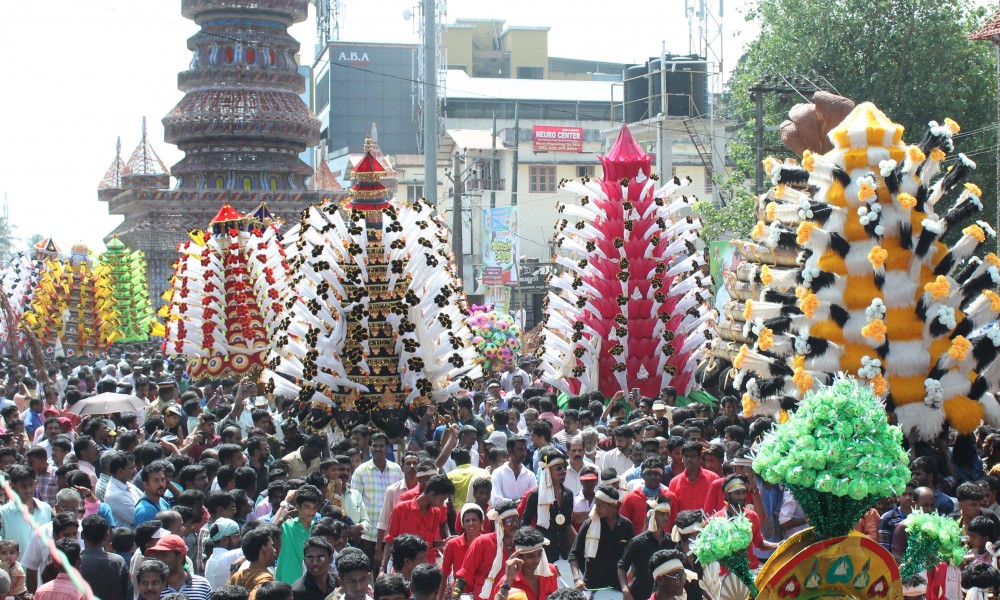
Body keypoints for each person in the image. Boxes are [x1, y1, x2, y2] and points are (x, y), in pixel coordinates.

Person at [568, 484, 633, 591]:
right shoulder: (589, 524)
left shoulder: (626, 525)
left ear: (613, 506)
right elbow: (574, 554)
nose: (596, 509)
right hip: (592, 586)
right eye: (596, 504)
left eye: (600, 506)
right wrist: (577, 579)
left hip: (618, 586)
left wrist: (631, 578)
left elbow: (633, 555)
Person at [352, 432, 403, 564]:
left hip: (391, 533)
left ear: (387, 449)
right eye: (375, 446)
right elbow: (354, 503)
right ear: (370, 448)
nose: (378, 449)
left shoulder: (397, 470)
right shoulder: (361, 471)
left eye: (381, 446)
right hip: (368, 534)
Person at [383, 474, 453, 570]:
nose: (442, 504)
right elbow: (390, 541)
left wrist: (443, 542)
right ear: (432, 494)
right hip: (404, 569)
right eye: (441, 500)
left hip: (426, 570)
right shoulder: (401, 509)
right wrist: (382, 568)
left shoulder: (436, 513)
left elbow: (429, 543)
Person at [453, 500, 520, 600]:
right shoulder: (482, 542)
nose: (514, 525)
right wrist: (455, 596)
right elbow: (465, 573)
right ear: (500, 523)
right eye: (509, 521)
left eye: (516, 520)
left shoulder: (521, 545)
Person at [521, 449, 574, 563]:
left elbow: (567, 525)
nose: (563, 471)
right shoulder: (536, 495)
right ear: (547, 470)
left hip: (563, 552)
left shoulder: (568, 494)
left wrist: (579, 546)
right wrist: (535, 542)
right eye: (558, 468)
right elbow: (525, 524)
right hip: (543, 553)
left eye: (564, 467)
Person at [618, 497, 675, 600]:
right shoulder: (637, 542)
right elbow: (622, 566)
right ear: (651, 515)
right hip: (640, 595)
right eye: (662, 514)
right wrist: (625, 589)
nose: (666, 518)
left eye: (667, 514)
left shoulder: (672, 542)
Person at [0, 464, 52, 562]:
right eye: (23, 486)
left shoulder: (46, 509)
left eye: (31, 485)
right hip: (14, 570)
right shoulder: (3, 513)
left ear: (35, 483)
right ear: (13, 487)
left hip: (41, 569)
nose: (28, 490)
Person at [491, 527, 559, 600]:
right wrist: (508, 581)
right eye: (530, 556)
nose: (536, 560)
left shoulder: (551, 571)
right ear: (519, 556)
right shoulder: (508, 581)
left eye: (539, 554)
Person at [274, 484, 323, 584]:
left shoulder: (318, 529)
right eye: (307, 507)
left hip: (309, 587)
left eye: (314, 507)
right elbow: (271, 530)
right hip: (285, 585)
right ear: (297, 507)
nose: (311, 512)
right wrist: (286, 500)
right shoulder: (286, 526)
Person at [620, 457, 677, 535]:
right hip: (638, 542)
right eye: (649, 474)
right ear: (643, 476)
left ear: (662, 476)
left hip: (665, 541)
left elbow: (675, 525)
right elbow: (623, 526)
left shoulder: (670, 497)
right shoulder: (630, 498)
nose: (652, 477)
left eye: (656, 474)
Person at [146, 533, 212, 600]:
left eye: (164, 554)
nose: (159, 559)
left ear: (181, 557)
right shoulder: (152, 590)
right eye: (157, 555)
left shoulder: (203, 586)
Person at [79, 515, 129, 600]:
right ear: (106, 536)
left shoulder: (76, 562)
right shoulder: (118, 562)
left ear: (82, 535)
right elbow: (125, 592)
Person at [442, 503, 485, 596]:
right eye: (467, 521)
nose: (471, 523)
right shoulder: (452, 544)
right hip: (460, 594)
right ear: (463, 524)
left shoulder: (488, 543)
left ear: (481, 522)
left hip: (484, 594)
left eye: (474, 520)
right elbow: (444, 573)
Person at [668, 441, 721, 514]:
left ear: (699, 458)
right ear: (682, 458)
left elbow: (720, 507)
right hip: (684, 521)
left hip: (709, 521)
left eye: (693, 456)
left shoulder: (713, 478)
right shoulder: (674, 482)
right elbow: (673, 509)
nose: (689, 459)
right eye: (686, 456)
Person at [229, 527, 277, 600]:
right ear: (264, 548)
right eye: (272, 546)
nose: (274, 550)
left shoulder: (237, 576)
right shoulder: (265, 579)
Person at [491, 437, 536, 503]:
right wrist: (518, 502)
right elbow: (496, 500)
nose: (524, 453)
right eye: (520, 449)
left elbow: (534, 499)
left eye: (525, 449)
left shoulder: (530, 475)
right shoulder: (498, 473)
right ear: (510, 451)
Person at [105, 450, 142, 527]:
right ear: (120, 471)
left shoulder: (127, 483)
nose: (135, 470)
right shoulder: (114, 495)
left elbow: (146, 499)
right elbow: (139, 518)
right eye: (132, 468)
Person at [204, 518, 244, 589]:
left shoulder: (210, 560)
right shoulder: (228, 556)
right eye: (237, 535)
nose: (239, 539)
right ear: (225, 539)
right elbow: (251, 548)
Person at [878, 481, 917, 550]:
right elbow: (884, 548)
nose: (907, 498)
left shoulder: (920, 518)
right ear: (898, 497)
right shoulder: (887, 518)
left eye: (911, 494)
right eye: (904, 494)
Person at [134, 460, 172, 526]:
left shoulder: (162, 501)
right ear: (146, 485)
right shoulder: (145, 512)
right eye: (156, 481)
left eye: (162, 479)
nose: (161, 484)